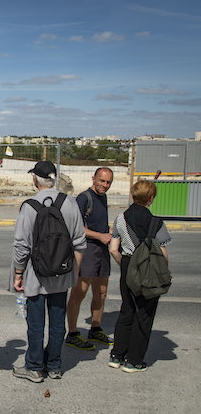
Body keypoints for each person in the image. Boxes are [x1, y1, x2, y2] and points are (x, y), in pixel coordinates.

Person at [9, 161, 86, 382]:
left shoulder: (29, 206)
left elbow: (22, 245)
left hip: (35, 276)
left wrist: (18, 274)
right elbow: (80, 242)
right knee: (57, 322)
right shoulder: (70, 203)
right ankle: (54, 365)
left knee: (35, 324)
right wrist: (74, 272)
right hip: (62, 275)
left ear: (35, 179)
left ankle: (33, 367)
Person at [109, 180, 171, 373]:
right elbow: (163, 255)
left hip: (128, 266)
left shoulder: (121, 218)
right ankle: (133, 361)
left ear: (133, 196)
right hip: (148, 270)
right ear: (151, 199)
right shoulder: (156, 223)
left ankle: (117, 355)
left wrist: (126, 267)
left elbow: (113, 249)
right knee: (144, 314)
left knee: (127, 310)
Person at [66, 167, 114, 350]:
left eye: (108, 182)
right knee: (79, 292)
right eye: (102, 181)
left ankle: (96, 328)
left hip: (101, 250)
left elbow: (99, 223)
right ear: (93, 178)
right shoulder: (84, 198)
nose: (105, 185)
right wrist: (99, 235)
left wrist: (109, 232)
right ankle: (72, 333)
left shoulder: (104, 197)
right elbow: (76, 228)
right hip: (87, 251)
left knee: (101, 292)